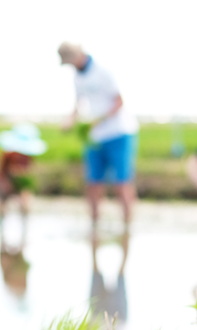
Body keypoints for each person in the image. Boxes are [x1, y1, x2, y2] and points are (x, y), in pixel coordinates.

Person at [58, 42, 138, 231]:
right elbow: (77, 105)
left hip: (119, 132)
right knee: (93, 183)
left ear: (78, 56)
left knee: (122, 183)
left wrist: (99, 120)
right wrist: (70, 120)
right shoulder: (77, 77)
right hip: (95, 137)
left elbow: (119, 102)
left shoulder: (103, 72)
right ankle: (94, 225)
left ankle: (128, 226)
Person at [0, 123, 47, 225]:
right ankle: (1, 230)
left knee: (25, 203)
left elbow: (29, 173)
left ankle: (24, 230)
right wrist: (5, 184)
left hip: (21, 181)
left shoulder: (30, 156)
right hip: (6, 179)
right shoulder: (7, 155)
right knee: (1, 204)